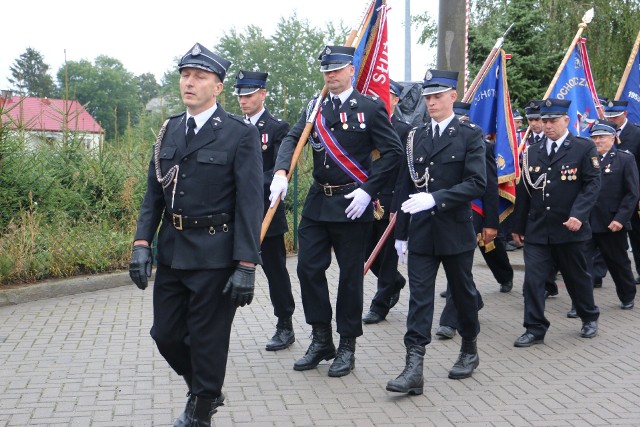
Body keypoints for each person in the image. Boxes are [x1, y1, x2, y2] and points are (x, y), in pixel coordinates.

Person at [128, 43, 263, 427]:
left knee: (207, 338)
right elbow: (153, 193)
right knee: (165, 334)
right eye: (185, 75)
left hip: (215, 254)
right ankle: (205, 388)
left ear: (218, 87)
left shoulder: (238, 135)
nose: (189, 82)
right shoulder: (169, 128)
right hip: (172, 251)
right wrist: (142, 243)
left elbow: (250, 204)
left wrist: (246, 264)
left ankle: (201, 410)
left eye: (199, 77)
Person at [269, 45, 403, 378]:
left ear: (350, 71)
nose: (331, 75)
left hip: (352, 203)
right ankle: (321, 338)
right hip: (318, 202)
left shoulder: (370, 109)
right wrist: (281, 171)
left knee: (349, 277)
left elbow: (393, 153)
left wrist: (368, 189)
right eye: (326, 70)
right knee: (308, 269)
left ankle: (347, 345)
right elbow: (292, 137)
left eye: (337, 69)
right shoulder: (314, 107)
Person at [386, 69, 486, 395]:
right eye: (427, 97)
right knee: (419, 300)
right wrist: (401, 232)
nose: (431, 102)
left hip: (455, 230)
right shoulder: (415, 135)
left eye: (437, 96)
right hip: (423, 232)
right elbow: (404, 186)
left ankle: (469, 346)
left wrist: (436, 198)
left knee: (463, 293)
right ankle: (414, 366)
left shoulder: (470, 135)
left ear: (452, 97)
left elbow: (476, 183)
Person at [512, 98, 601, 348]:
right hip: (539, 229)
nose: (547, 125)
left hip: (570, 228)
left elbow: (592, 184)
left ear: (566, 120)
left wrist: (579, 215)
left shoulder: (583, 148)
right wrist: (518, 227)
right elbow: (525, 191)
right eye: (544, 120)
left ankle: (589, 316)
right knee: (533, 281)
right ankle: (534, 328)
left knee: (576, 277)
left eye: (552, 120)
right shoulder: (532, 151)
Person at [436, 101, 513, 340]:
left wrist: (491, 222)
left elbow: (489, 187)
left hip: (474, 213)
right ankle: (473, 298)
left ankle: (449, 321)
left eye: (462, 120)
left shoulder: (483, 146)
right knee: (457, 270)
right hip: (447, 212)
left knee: (460, 267)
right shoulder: (435, 143)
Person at [233, 70, 296, 351]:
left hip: (266, 212)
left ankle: (285, 324)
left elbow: (280, 170)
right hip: (234, 215)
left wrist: (247, 184)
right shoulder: (232, 126)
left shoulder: (277, 128)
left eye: (248, 95)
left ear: (262, 94)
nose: (243, 101)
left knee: (275, 272)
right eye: (240, 96)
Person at [362, 79, 411, 324]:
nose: (381, 98)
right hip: (365, 200)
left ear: (396, 100)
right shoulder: (364, 125)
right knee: (366, 251)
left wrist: (398, 206)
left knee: (389, 256)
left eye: (387, 94)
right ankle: (395, 282)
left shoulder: (403, 130)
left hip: (391, 201)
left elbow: (404, 171)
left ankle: (379, 306)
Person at [585, 120, 637, 309]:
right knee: (582, 264)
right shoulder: (586, 158)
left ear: (613, 138)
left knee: (618, 263)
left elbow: (632, 193)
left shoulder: (624, 159)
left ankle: (627, 295)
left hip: (611, 223)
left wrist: (620, 219)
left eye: (602, 137)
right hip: (586, 222)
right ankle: (581, 302)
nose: (597, 141)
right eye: (594, 137)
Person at [604, 100, 640, 284]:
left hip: (631, 192)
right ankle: (598, 274)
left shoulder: (636, 133)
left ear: (625, 114)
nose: (612, 120)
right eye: (609, 116)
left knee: (636, 232)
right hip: (608, 194)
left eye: (615, 116)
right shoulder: (602, 133)